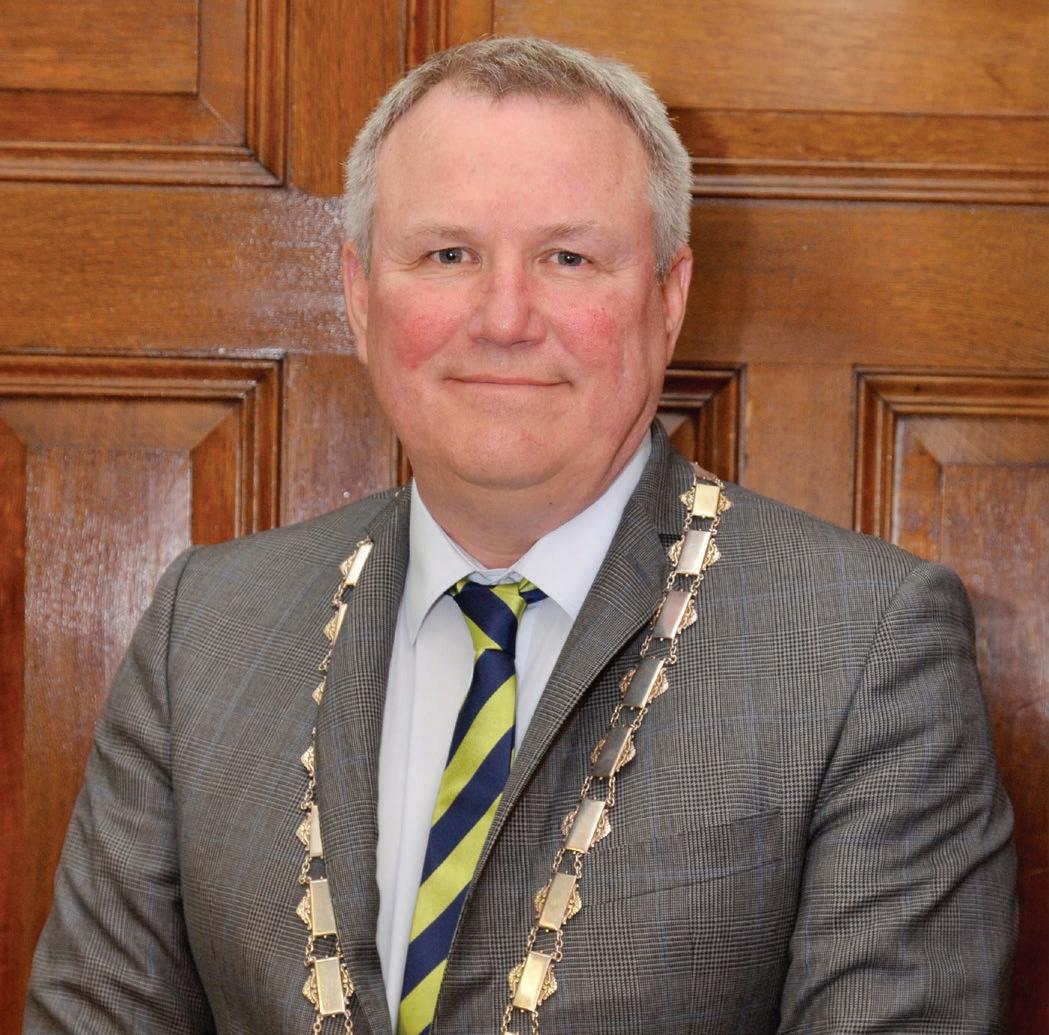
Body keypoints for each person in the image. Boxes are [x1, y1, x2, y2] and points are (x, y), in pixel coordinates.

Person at [25, 36, 1015, 1035]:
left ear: (666, 299)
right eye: (447, 254)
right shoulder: (207, 628)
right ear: (361, 297)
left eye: (567, 258)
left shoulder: (864, 649)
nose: (504, 318)